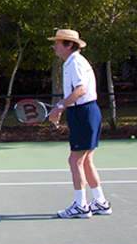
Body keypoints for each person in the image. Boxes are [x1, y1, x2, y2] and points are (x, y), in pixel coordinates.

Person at [47, 29, 111, 219]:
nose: (54, 46)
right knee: (86, 160)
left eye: (58, 43)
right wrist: (63, 107)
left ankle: (81, 206)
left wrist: (59, 107)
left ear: (69, 45)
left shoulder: (74, 62)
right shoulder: (73, 62)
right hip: (86, 112)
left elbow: (81, 90)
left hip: (84, 113)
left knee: (74, 160)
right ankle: (100, 202)